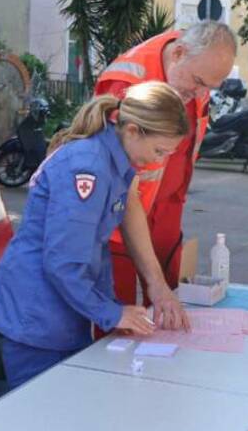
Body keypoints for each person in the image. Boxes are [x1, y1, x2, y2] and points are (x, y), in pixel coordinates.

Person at [0, 81, 190, 431]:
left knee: (61, 410)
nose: (162, 161)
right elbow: (63, 262)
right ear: (131, 129)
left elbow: (117, 221)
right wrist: (113, 313)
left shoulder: (116, 158)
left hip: (62, 309)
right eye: (160, 149)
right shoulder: (89, 167)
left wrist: (148, 291)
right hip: (36, 313)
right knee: (38, 415)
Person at [95, 21, 237, 317]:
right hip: (119, 223)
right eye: (198, 82)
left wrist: (160, 284)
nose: (200, 93)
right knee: (118, 320)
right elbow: (122, 194)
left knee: (168, 311)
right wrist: (154, 282)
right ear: (179, 53)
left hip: (167, 213)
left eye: (209, 88)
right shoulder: (126, 86)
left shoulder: (196, 66)